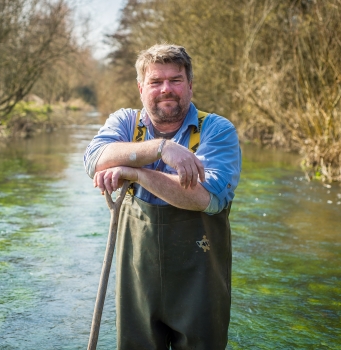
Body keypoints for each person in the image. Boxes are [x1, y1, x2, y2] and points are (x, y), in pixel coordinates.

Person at [83, 44, 241, 350]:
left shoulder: (217, 130)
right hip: (137, 285)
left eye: (175, 80)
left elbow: (205, 198)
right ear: (141, 88)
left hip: (201, 288)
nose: (166, 89)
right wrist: (160, 149)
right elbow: (94, 160)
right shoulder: (126, 123)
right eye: (156, 82)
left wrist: (136, 173)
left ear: (190, 86)